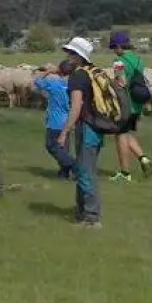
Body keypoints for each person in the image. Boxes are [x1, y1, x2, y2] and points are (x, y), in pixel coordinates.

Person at [55, 37, 104, 228]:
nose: (67, 56)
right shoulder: (93, 72)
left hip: (86, 127)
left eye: (70, 53)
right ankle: (81, 213)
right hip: (97, 127)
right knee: (86, 169)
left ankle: (92, 218)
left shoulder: (78, 76)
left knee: (85, 172)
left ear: (77, 56)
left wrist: (64, 132)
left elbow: (76, 106)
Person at [108, 31, 152, 181]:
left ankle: (125, 173)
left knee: (120, 135)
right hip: (137, 104)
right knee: (126, 134)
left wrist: (110, 84)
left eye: (114, 47)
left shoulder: (119, 62)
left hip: (125, 104)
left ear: (120, 46)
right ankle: (143, 158)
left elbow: (121, 83)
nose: (114, 50)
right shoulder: (139, 60)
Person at [33, 60, 77, 179]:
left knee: (51, 146)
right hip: (68, 121)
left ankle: (75, 166)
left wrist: (48, 71)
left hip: (55, 121)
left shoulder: (54, 84)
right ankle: (63, 173)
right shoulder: (72, 86)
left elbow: (37, 81)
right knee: (64, 148)